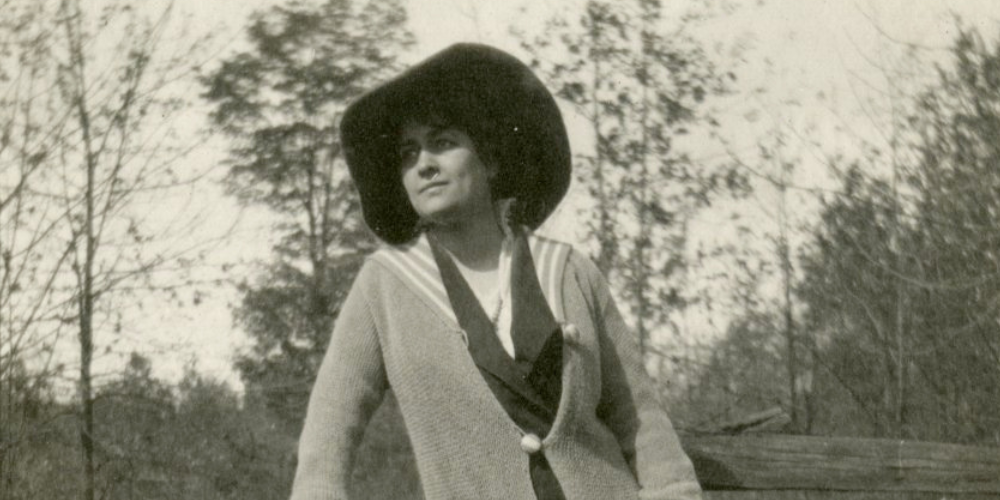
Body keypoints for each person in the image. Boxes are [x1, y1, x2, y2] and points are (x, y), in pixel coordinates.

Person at [289, 43, 702, 500]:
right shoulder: (384, 287)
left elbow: (639, 418)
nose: (423, 164)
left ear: (490, 159)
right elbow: (328, 432)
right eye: (408, 154)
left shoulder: (569, 271)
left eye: (443, 143)